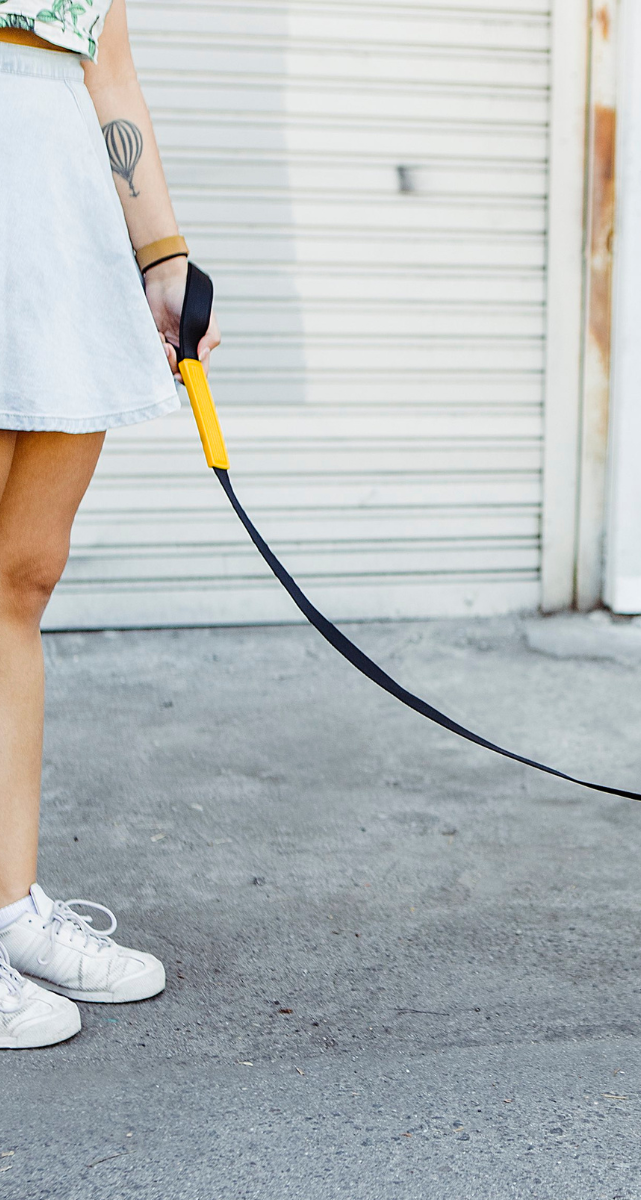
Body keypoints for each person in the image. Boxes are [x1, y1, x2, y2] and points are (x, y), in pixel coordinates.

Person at [0, 0, 219, 1048]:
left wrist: (163, 254)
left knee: (22, 580)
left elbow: (111, 78)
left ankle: (9, 907)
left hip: (57, 231)